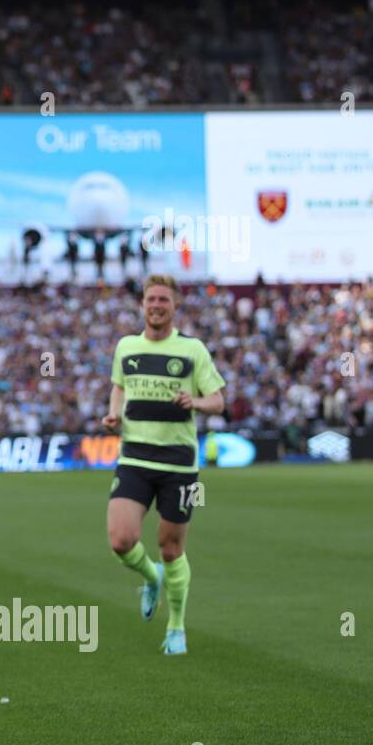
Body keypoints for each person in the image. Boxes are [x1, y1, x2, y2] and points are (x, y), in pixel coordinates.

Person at [102, 275, 226, 656]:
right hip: (134, 458)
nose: (156, 305)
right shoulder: (127, 346)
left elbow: (218, 401)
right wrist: (113, 413)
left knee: (170, 549)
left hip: (178, 465)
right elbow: (120, 385)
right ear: (142, 304)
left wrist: (196, 402)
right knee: (121, 540)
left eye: (163, 300)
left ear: (174, 306)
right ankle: (150, 576)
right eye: (151, 299)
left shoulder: (192, 350)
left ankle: (176, 626)